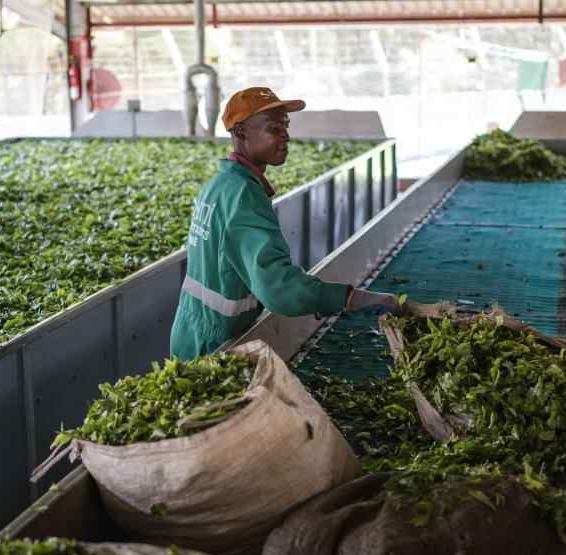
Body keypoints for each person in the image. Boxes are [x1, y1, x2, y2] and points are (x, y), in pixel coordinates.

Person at [169, 86, 404, 360]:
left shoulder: (220, 184)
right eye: (274, 128)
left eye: (285, 125)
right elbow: (279, 289)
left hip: (193, 330)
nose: (286, 135)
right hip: (214, 346)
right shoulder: (243, 195)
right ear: (240, 132)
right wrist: (352, 297)